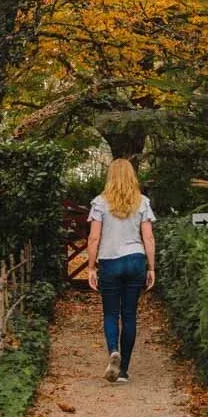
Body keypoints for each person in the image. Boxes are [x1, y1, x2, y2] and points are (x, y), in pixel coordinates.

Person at [86, 158, 156, 383]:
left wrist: (90, 267)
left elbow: (94, 237)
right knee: (129, 315)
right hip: (135, 260)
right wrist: (151, 267)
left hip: (110, 262)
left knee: (110, 313)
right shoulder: (142, 202)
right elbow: (148, 238)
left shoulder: (100, 202)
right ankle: (123, 370)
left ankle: (113, 351)